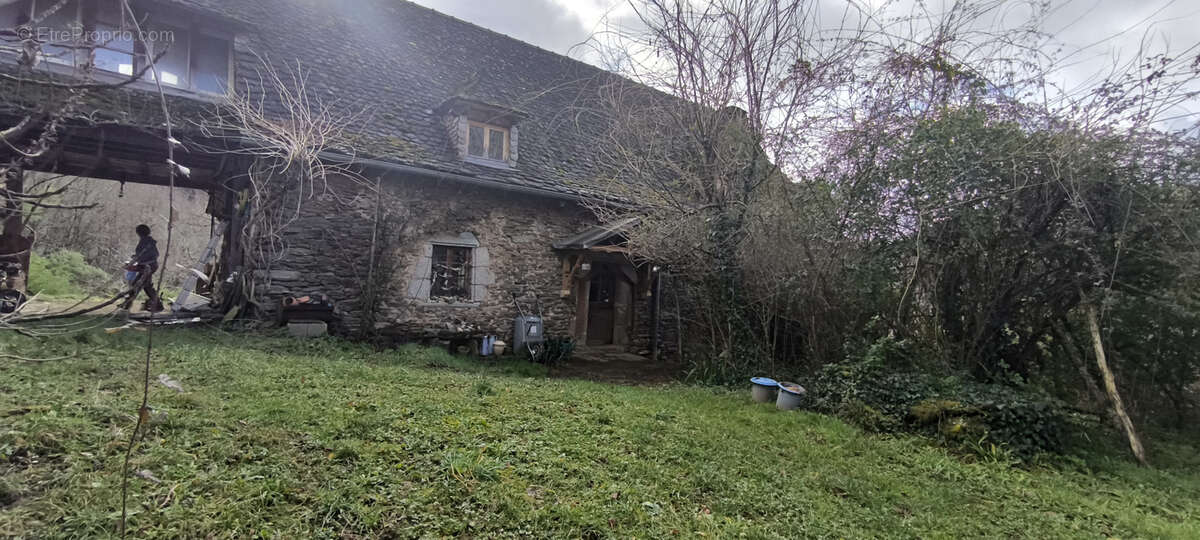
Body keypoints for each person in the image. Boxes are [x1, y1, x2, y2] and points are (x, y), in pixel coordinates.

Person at [121, 224, 163, 312]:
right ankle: (158, 305)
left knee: (136, 284)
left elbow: (141, 255)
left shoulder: (145, 242)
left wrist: (130, 264)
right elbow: (144, 255)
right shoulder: (149, 241)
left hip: (147, 267)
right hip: (149, 266)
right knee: (146, 286)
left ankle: (127, 304)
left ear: (138, 233)